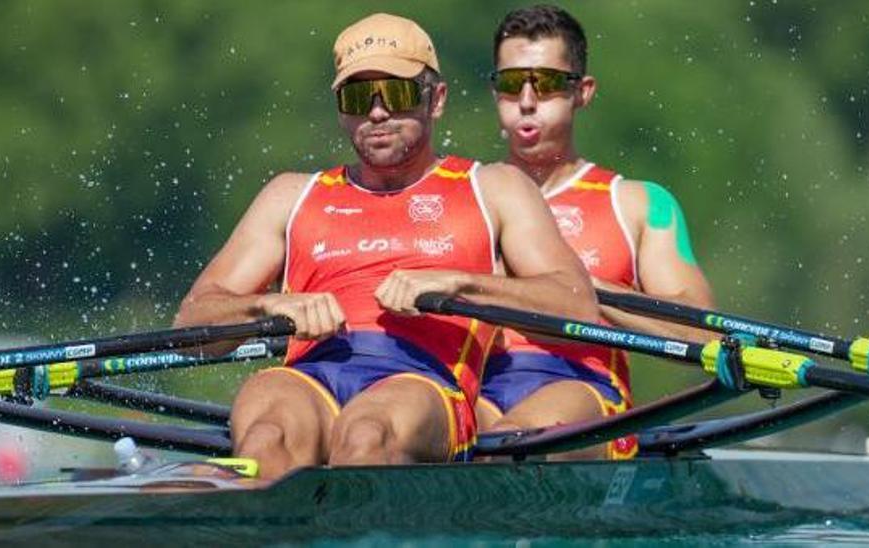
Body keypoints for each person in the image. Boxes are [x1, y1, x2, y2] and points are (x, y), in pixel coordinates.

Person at [173, 12, 599, 480]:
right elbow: (192, 324)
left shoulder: (494, 187)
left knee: (366, 435)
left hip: (425, 382)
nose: (376, 113)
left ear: (435, 100)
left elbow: (576, 307)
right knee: (265, 438)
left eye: (395, 94)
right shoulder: (289, 194)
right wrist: (268, 307)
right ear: (340, 109)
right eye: (358, 97)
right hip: (308, 374)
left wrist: (459, 286)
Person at [479, 5, 717, 460]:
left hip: (580, 387)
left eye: (546, 83)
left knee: (504, 447)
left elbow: (701, 335)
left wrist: (577, 291)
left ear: (582, 92)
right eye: (511, 84)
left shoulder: (638, 204)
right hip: (477, 384)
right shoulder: (467, 195)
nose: (527, 100)